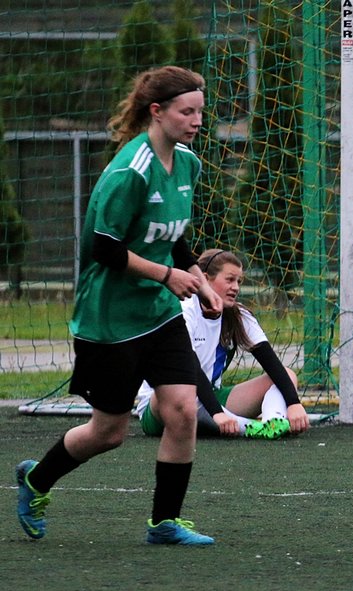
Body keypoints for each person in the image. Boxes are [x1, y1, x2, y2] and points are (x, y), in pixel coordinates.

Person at [15, 66, 223, 545]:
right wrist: (168, 276)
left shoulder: (187, 164)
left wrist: (199, 280)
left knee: (182, 410)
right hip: (109, 321)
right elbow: (104, 248)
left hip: (159, 313)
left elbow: (172, 237)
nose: (197, 121)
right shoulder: (130, 171)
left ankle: (164, 523)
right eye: (186, 112)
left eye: (200, 112)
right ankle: (36, 479)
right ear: (157, 111)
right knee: (109, 432)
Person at [135, 248, 311, 440]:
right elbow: (189, 368)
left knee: (288, 375)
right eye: (229, 280)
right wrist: (217, 413)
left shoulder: (239, 315)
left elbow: (271, 364)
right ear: (204, 279)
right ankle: (247, 427)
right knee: (182, 391)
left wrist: (293, 403)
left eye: (239, 281)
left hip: (210, 397)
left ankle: (274, 422)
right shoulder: (184, 309)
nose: (236, 287)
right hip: (162, 404)